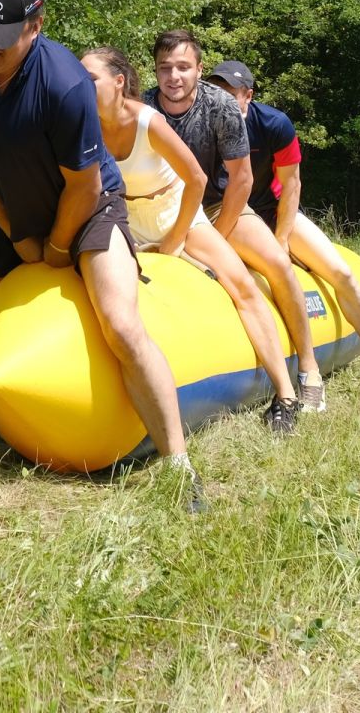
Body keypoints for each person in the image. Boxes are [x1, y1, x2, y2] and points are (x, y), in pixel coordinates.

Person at [0, 0, 206, 510]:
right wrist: (16, 234)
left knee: (122, 325)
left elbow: (82, 186)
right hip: (12, 205)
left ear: (35, 27)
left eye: (3, 38)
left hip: (89, 206)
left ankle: (178, 464)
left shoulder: (65, 84)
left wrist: (55, 251)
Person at [82, 46, 300, 434]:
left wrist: (176, 239)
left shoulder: (148, 121)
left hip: (175, 212)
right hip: (124, 219)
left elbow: (197, 180)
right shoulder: (83, 124)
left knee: (243, 287)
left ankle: (286, 394)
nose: (80, 87)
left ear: (118, 83)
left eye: (90, 79)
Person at [205, 58, 360, 387]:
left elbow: (292, 184)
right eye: (216, 93)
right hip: (227, 216)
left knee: (341, 272)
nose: (221, 100)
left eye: (230, 93)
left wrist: (281, 239)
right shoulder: (201, 126)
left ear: (247, 96)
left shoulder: (274, 124)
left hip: (274, 211)